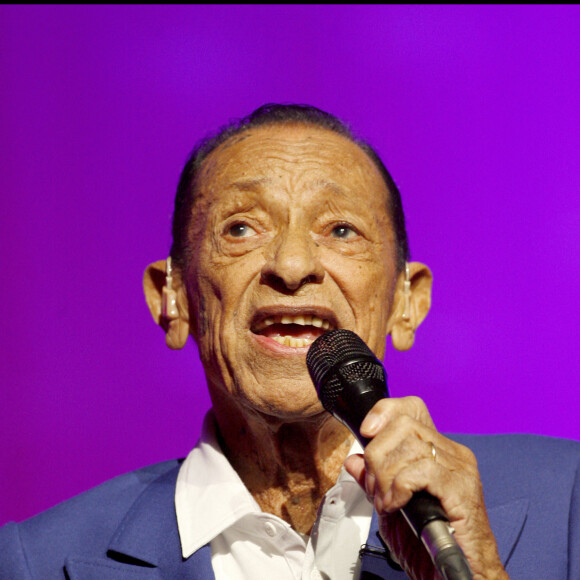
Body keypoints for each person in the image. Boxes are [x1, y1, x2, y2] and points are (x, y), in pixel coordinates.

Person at [1, 103, 579, 580]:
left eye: (341, 229)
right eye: (242, 228)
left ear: (408, 302)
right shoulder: (32, 563)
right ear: (171, 299)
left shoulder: (568, 501)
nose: (293, 265)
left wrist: (475, 569)